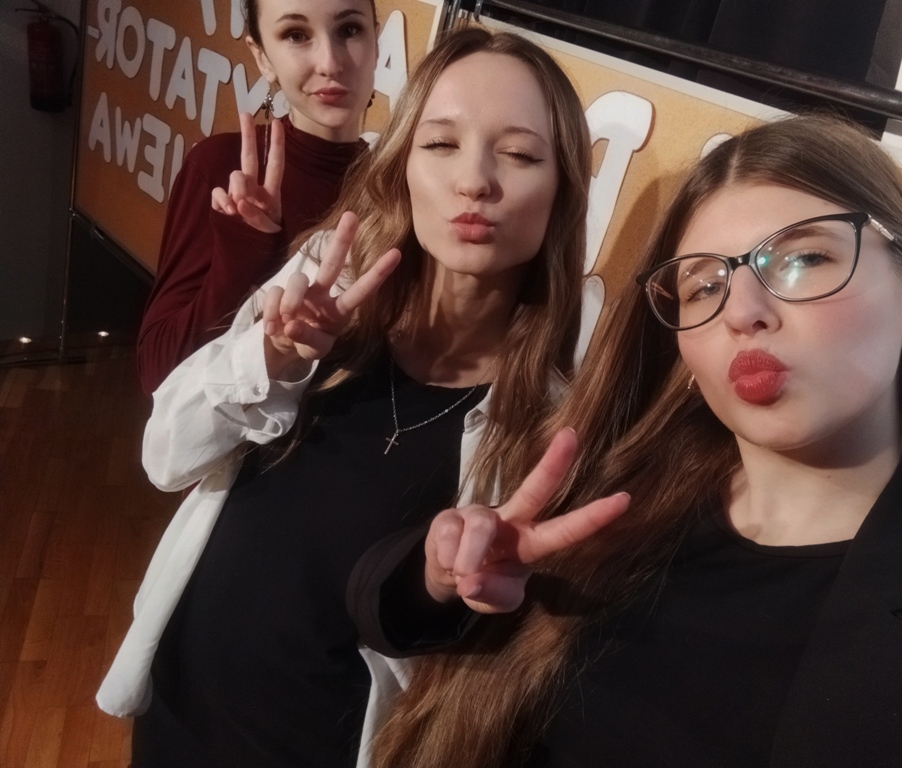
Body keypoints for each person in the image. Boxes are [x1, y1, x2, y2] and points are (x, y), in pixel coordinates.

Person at [356, 114, 902, 768]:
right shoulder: (613, 504)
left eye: (803, 260)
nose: (742, 312)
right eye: (704, 285)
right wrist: (444, 577)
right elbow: (375, 611)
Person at [95, 27, 613, 768]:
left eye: (521, 154)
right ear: (402, 166)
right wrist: (270, 358)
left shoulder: (554, 413)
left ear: (563, 190)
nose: (475, 181)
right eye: (441, 144)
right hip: (180, 716)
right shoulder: (324, 289)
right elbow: (165, 456)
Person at [136, 0, 379, 394]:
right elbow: (158, 373)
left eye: (350, 30)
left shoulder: (396, 183)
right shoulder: (220, 167)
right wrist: (242, 255)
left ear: (376, 41)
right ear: (263, 56)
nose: (330, 63)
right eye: (296, 35)